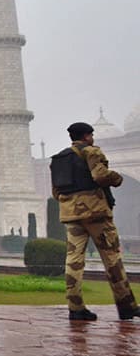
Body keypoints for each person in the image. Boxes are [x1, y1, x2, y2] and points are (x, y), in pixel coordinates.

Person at [50, 122, 140, 321]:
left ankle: (75, 308)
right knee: (112, 258)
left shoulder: (59, 159)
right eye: (91, 135)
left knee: (73, 261)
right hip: (96, 214)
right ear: (87, 136)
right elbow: (100, 175)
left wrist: (73, 202)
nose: (93, 138)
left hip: (72, 215)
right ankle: (127, 306)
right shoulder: (91, 152)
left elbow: (56, 192)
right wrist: (116, 178)